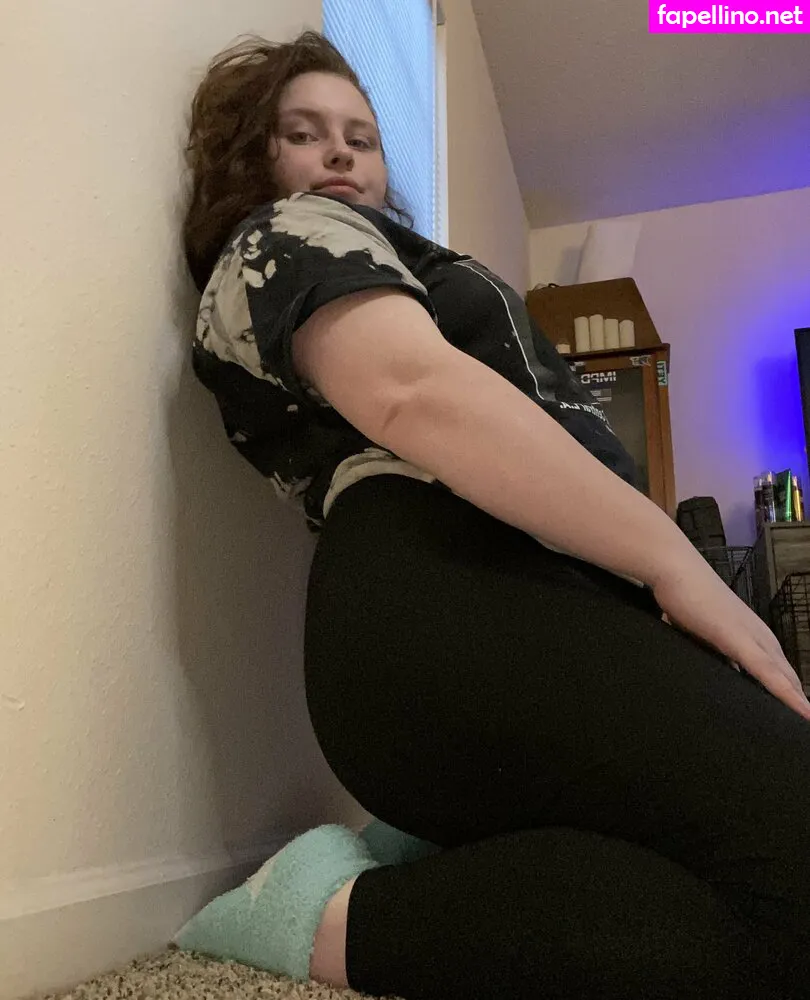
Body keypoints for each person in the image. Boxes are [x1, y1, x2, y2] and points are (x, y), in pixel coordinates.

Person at [174, 29, 810, 1000]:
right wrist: (675, 564)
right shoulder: (285, 237)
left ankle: (438, 873)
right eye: (302, 133)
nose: (341, 152)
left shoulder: (394, 256)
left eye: (361, 138)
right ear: (250, 165)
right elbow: (413, 392)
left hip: (512, 597)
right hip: (438, 596)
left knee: (743, 904)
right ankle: (324, 919)